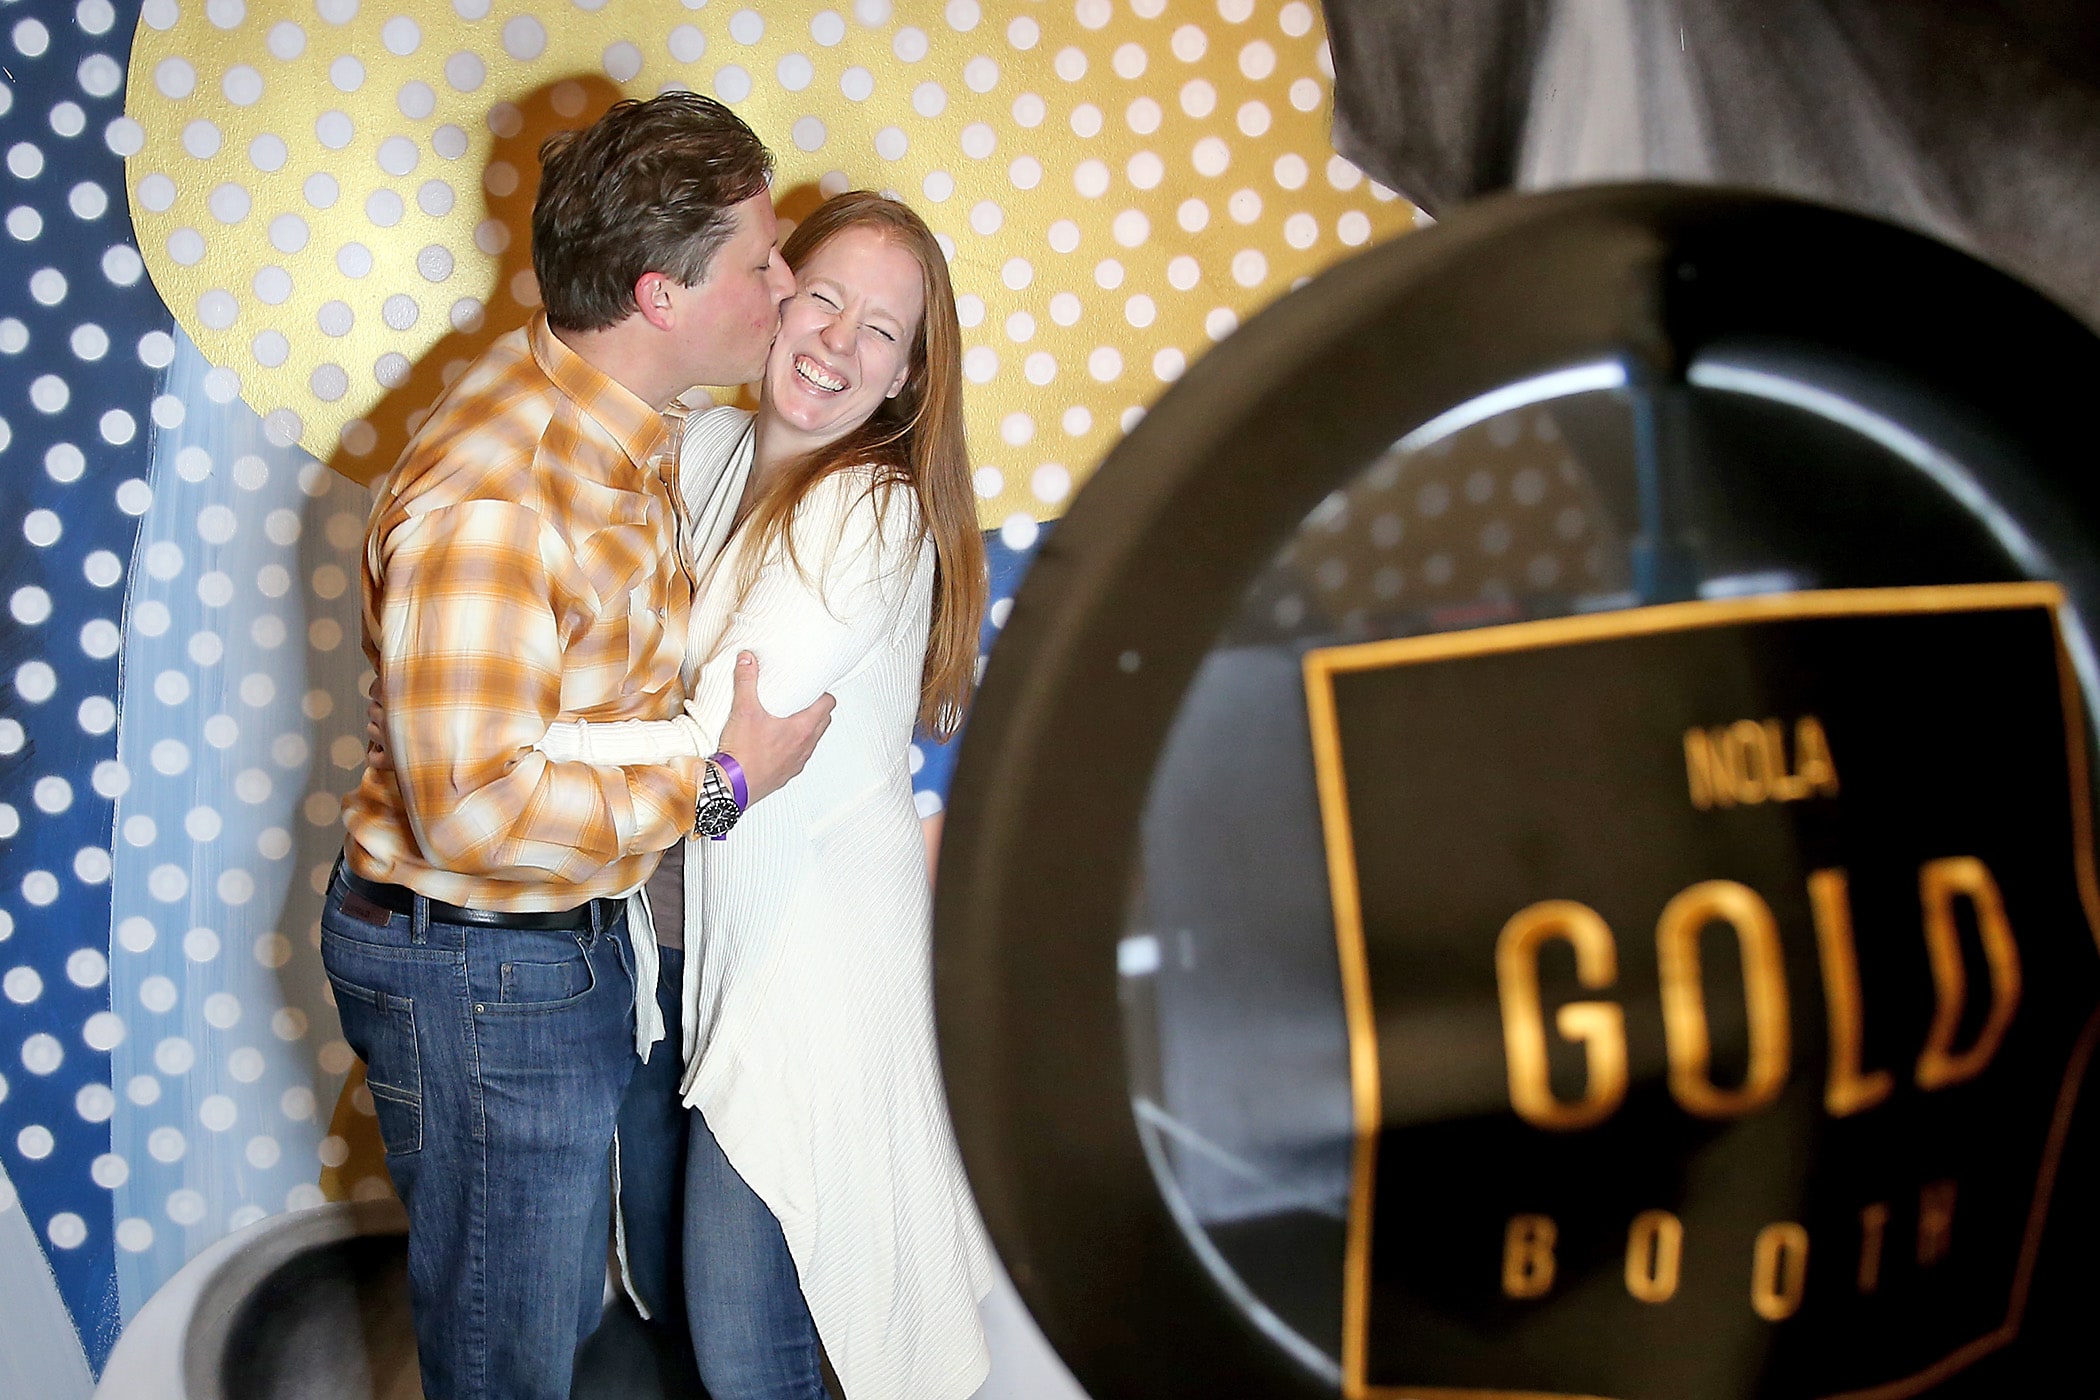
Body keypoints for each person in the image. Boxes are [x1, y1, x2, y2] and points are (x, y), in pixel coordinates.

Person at [324, 93, 832, 1400]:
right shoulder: (500, 496)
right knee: (511, 1356)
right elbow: (477, 810)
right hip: (484, 971)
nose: (786, 287)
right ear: (663, 295)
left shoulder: (610, 408)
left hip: (550, 950)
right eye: (761, 264)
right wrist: (721, 786)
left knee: (546, 1319)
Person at [538, 191, 996, 1400]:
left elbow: (714, 759)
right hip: (670, 960)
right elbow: (652, 703)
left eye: (883, 333)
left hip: (808, 982)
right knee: (685, 1327)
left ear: (905, 382)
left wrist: (510, 749)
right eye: (826, 299)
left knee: (757, 1357)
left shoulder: (872, 510)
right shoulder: (703, 453)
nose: (840, 343)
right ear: (776, 292)